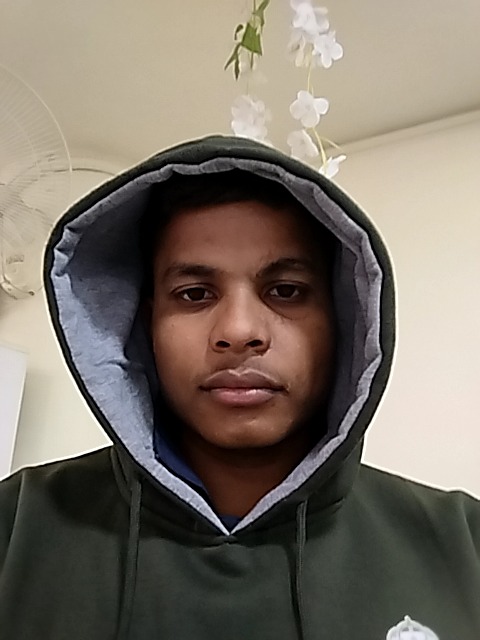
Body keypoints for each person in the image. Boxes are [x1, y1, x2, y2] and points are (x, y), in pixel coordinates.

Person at [0, 135, 479, 640]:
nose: (239, 330)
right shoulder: (15, 525)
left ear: (343, 316)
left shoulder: (464, 543)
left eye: (286, 291)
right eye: (195, 294)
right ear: (145, 325)